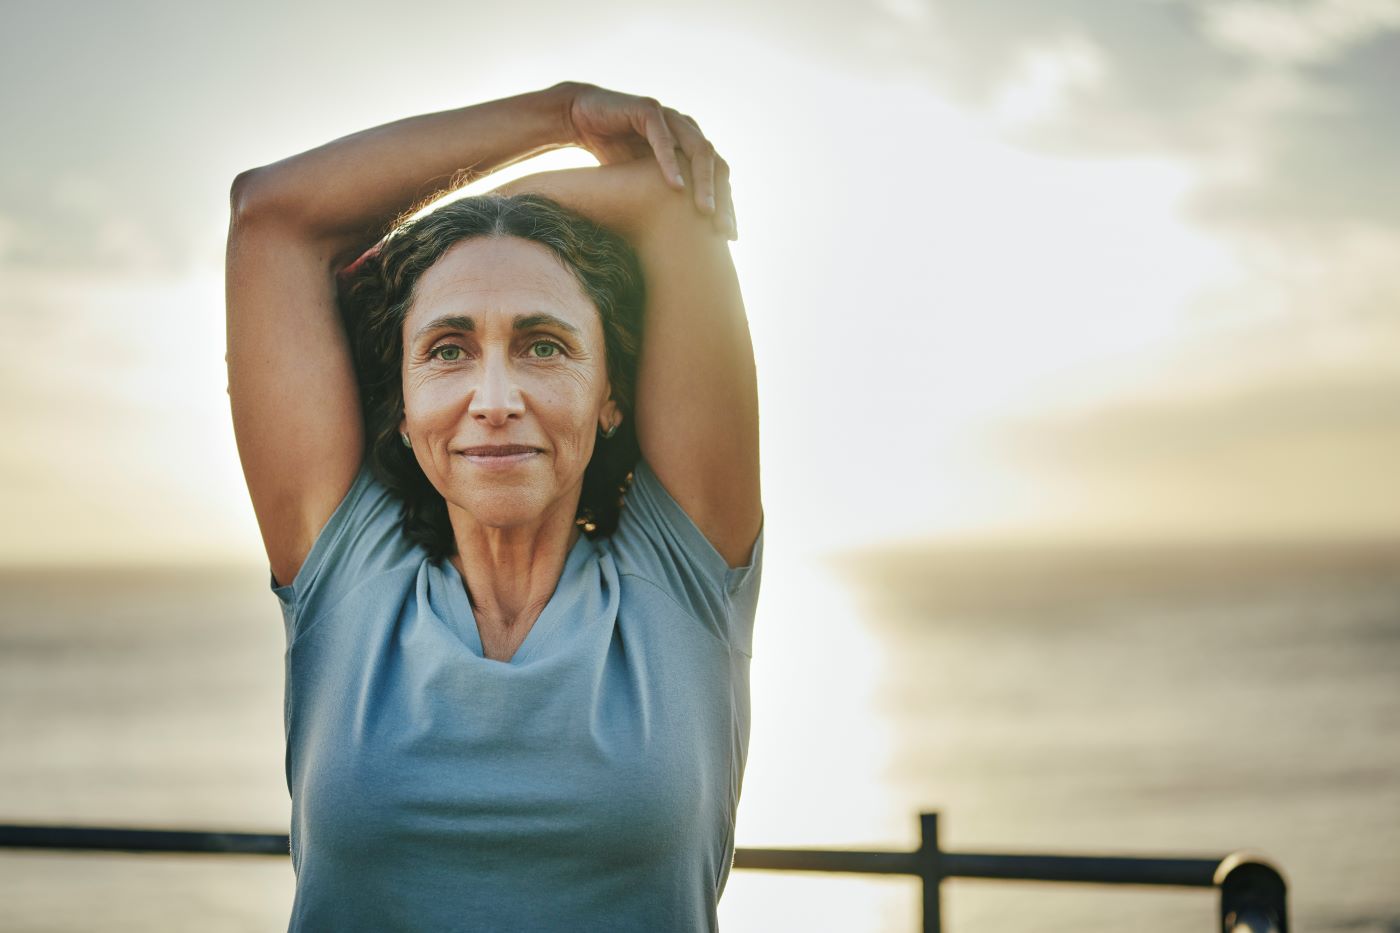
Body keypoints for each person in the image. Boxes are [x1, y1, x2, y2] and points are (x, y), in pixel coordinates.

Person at [225, 81, 762, 931]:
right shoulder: (346, 570)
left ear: (610, 394)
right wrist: (565, 112)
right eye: (448, 349)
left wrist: (479, 223)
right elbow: (271, 214)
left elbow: (669, 203)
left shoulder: (682, 576)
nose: (495, 396)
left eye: (543, 345)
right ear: (402, 403)